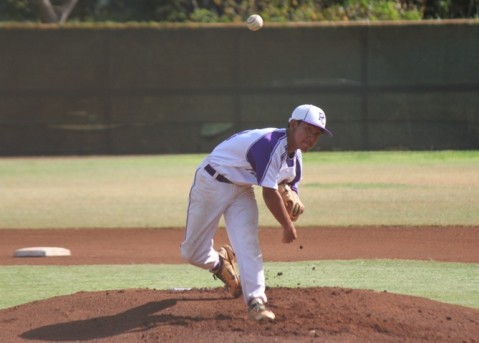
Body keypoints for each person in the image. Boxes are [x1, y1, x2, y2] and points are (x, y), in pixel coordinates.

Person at [181, 104, 332, 321]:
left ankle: (256, 302)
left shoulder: (296, 158)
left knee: (247, 243)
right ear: (292, 124)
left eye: (317, 134)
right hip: (212, 182)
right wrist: (288, 226)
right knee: (192, 253)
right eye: (308, 129)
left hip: (242, 189)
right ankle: (220, 264)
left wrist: (292, 197)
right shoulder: (271, 144)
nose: (311, 137)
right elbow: (270, 194)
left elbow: (288, 185)